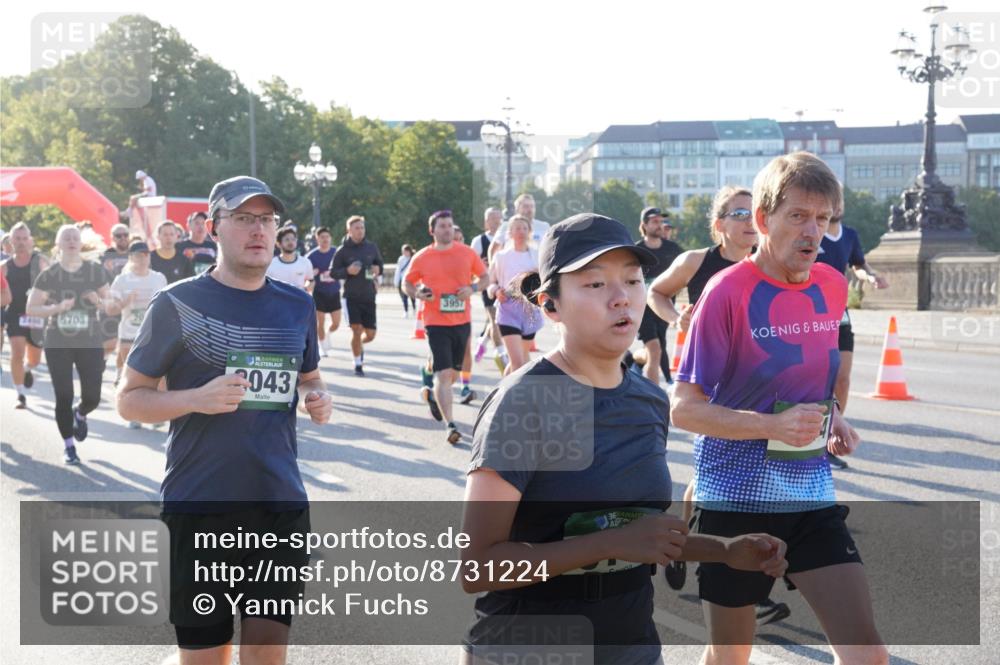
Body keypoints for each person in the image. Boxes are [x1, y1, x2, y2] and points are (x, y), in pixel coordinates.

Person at [461, 213, 788, 665]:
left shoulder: (649, 401)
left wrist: (724, 551)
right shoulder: (522, 403)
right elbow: (478, 566)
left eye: (633, 281)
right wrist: (606, 545)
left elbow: (636, 532)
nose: (621, 299)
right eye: (594, 285)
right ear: (550, 305)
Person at [671, 152, 888, 665]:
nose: (813, 231)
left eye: (823, 219)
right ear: (764, 220)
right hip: (734, 501)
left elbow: (810, 376)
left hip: (811, 494)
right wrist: (771, 425)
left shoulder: (832, 285)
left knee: (868, 654)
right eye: (798, 216)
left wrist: (833, 416)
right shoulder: (725, 293)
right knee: (731, 656)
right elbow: (683, 409)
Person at [117, 175, 332, 664]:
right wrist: (197, 398)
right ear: (214, 227)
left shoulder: (297, 305)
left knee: (266, 656)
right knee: (206, 659)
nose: (258, 230)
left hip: (279, 504)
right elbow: (129, 400)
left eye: (266, 219)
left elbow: (310, 377)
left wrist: (318, 396)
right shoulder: (177, 304)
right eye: (242, 219)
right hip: (200, 506)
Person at [25, 225, 112, 464]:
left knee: (92, 397)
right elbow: (31, 308)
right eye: (67, 238)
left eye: (75, 237)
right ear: (59, 243)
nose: (72, 241)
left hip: (90, 340)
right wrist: (56, 308)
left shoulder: (94, 271)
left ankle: (81, 413)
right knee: (64, 395)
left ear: (80, 243)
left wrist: (99, 302)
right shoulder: (50, 274)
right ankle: (69, 446)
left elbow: (112, 304)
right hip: (58, 341)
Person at [404, 210, 488, 444]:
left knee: (452, 375)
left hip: (461, 321)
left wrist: (472, 289)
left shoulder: (467, 253)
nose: (447, 229)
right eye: (442, 226)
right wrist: (418, 293)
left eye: (450, 225)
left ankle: (432, 394)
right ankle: (450, 424)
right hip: (435, 322)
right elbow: (406, 283)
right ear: (432, 231)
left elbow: (485, 278)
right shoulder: (422, 257)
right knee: (443, 373)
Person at [105, 241, 167, 428]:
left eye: (145, 255)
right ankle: (133, 414)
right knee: (133, 378)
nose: (142, 259)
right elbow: (110, 309)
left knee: (159, 377)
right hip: (130, 333)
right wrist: (126, 300)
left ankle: (156, 415)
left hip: (154, 333)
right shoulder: (122, 280)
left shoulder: (159, 278)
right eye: (138, 256)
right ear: (131, 258)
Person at [486, 215, 543, 374]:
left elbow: (544, 281)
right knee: (517, 363)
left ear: (529, 232)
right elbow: (490, 284)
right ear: (510, 232)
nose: (521, 231)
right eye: (517, 228)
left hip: (530, 309)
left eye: (525, 228)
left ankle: (503, 392)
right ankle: (513, 397)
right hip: (508, 309)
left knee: (523, 360)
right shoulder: (501, 257)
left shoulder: (537, 255)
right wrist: (496, 291)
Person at [2, 222, 49, 409]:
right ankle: (20, 394)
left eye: (24, 238)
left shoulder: (40, 261)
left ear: (29, 240)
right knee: (17, 352)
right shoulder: (4, 267)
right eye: (17, 239)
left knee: (35, 359)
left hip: (36, 314)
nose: (21, 242)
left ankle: (28, 370)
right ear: (11, 241)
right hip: (14, 313)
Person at [635, 207, 684, 386]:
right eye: (654, 221)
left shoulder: (672, 250)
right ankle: (653, 398)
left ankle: (634, 361)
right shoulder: (635, 251)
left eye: (661, 221)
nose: (659, 225)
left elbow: (688, 271)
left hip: (663, 308)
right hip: (641, 309)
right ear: (644, 225)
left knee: (656, 349)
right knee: (655, 350)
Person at [330, 215, 384, 377]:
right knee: (356, 329)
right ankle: (358, 364)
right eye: (357, 228)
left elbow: (379, 264)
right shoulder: (343, 251)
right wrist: (347, 271)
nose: (360, 231)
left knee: (370, 334)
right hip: (351, 297)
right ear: (349, 230)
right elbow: (333, 272)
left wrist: (377, 269)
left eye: (362, 227)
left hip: (369, 296)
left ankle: (358, 345)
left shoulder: (371, 247)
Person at [471, 207, 506, 371]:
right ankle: (502, 357)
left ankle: (481, 344)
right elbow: (469, 264)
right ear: (486, 222)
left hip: (505, 285)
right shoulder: (479, 241)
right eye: (492, 218)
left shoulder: (507, 238)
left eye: (499, 218)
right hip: (488, 286)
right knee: (495, 320)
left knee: (493, 320)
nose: (496, 221)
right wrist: (481, 268)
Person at [305, 227, 342, 356]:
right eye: (322, 237)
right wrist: (313, 274)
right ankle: (322, 346)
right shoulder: (311, 256)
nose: (325, 239)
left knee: (336, 323)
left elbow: (343, 268)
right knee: (320, 321)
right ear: (317, 239)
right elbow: (305, 273)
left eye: (327, 237)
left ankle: (328, 334)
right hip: (319, 292)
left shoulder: (336, 252)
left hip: (334, 291)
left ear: (330, 238)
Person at [488, 193, 550, 262]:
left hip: (536, 269)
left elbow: (550, 250)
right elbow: (493, 249)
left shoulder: (544, 226)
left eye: (532, 206)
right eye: (525, 206)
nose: (530, 210)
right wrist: (492, 268)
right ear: (517, 209)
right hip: (512, 268)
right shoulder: (505, 226)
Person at [177, 211, 218, 275]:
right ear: (188, 226)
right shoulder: (179, 246)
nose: (201, 227)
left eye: (203, 223)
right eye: (197, 223)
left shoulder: (214, 246)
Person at [395, 244, 416, 318]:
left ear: (409, 251)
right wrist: (396, 281)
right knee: (404, 297)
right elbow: (398, 270)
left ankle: (414, 310)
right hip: (403, 279)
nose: (404, 253)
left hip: (411, 279)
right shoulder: (401, 259)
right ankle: (406, 311)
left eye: (405, 251)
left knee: (413, 296)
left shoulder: (413, 258)